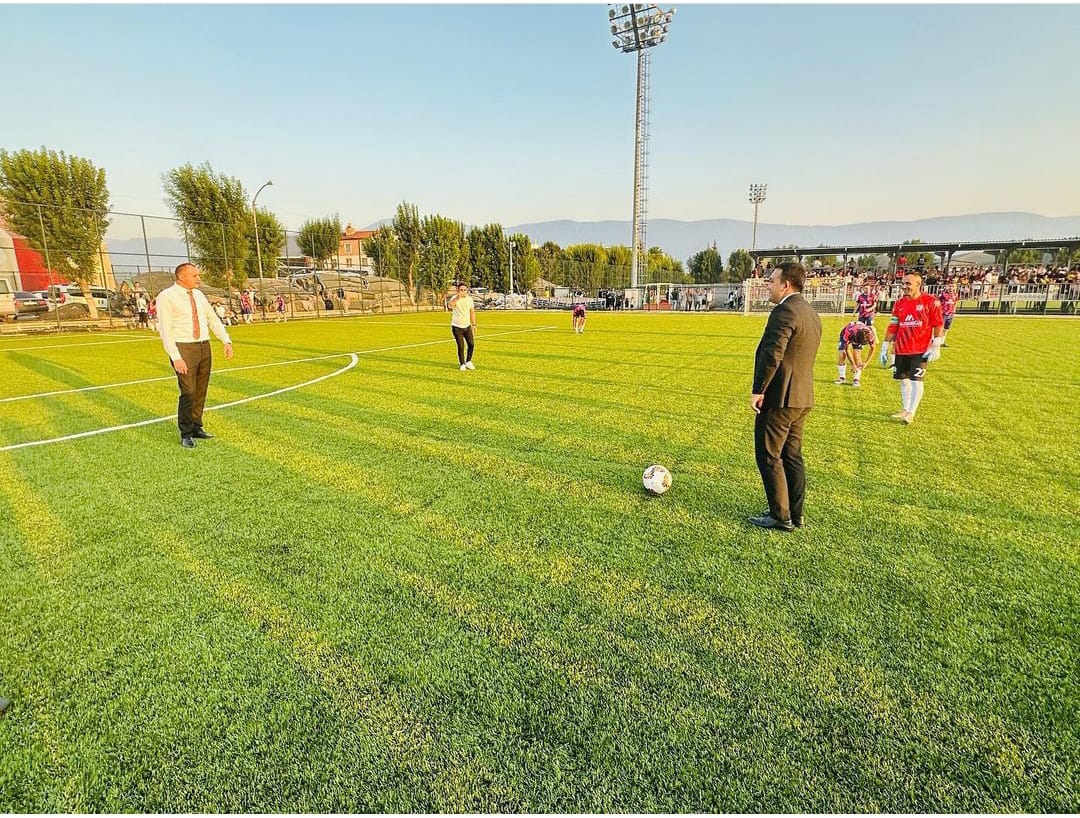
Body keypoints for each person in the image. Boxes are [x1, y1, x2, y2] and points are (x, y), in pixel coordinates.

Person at [748, 262, 823, 531]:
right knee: (792, 455)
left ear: (785, 285)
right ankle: (796, 513)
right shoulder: (811, 313)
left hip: (780, 398)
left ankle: (781, 516)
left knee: (769, 456)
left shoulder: (784, 311)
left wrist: (759, 389)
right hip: (802, 397)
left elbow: (773, 354)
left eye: (772, 281)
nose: (768, 285)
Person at [157, 263, 234, 448]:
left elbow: (212, 319)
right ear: (181, 277)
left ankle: (197, 426)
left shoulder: (198, 295)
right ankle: (186, 432)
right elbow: (165, 330)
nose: (198, 279)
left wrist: (226, 340)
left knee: (200, 390)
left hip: (203, 346)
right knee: (188, 391)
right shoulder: (167, 297)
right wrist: (175, 356)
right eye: (195, 275)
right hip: (183, 347)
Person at [879, 271, 944, 425]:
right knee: (903, 380)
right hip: (901, 349)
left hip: (920, 349)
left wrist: (936, 345)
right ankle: (905, 408)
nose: (904, 286)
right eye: (903, 283)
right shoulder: (899, 303)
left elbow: (938, 324)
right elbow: (893, 326)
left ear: (918, 284)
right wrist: (885, 346)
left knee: (916, 381)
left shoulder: (930, 301)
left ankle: (911, 413)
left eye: (908, 283)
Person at [834, 320, 877, 387]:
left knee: (857, 355)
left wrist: (866, 362)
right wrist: (852, 364)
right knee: (842, 354)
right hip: (846, 334)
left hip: (858, 333)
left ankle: (856, 379)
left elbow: (873, 348)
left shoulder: (870, 335)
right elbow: (847, 349)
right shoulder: (849, 332)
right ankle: (842, 378)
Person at [447, 282, 477, 371]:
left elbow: (472, 312)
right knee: (461, 346)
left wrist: (474, 324)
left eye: (464, 290)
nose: (463, 292)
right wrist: (457, 298)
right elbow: (450, 306)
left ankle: (468, 361)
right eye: (461, 290)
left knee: (471, 344)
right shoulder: (455, 298)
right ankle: (462, 363)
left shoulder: (470, 299)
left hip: (467, 326)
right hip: (457, 327)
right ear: (458, 290)